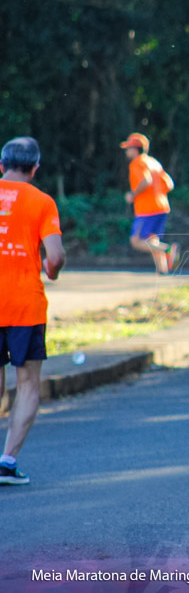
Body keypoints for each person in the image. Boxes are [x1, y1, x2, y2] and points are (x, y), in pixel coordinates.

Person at [0, 137, 65, 485]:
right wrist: (51, 273)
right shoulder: (42, 202)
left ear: (1, 165)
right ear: (35, 169)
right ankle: (7, 462)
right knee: (27, 384)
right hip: (26, 306)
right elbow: (54, 257)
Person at [120, 133, 178, 274]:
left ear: (135, 149)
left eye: (128, 148)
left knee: (136, 241)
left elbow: (146, 180)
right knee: (153, 240)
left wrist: (133, 195)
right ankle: (162, 269)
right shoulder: (153, 162)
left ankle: (168, 250)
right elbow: (169, 184)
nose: (127, 151)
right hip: (162, 206)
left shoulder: (137, 163)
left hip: (147, 208)